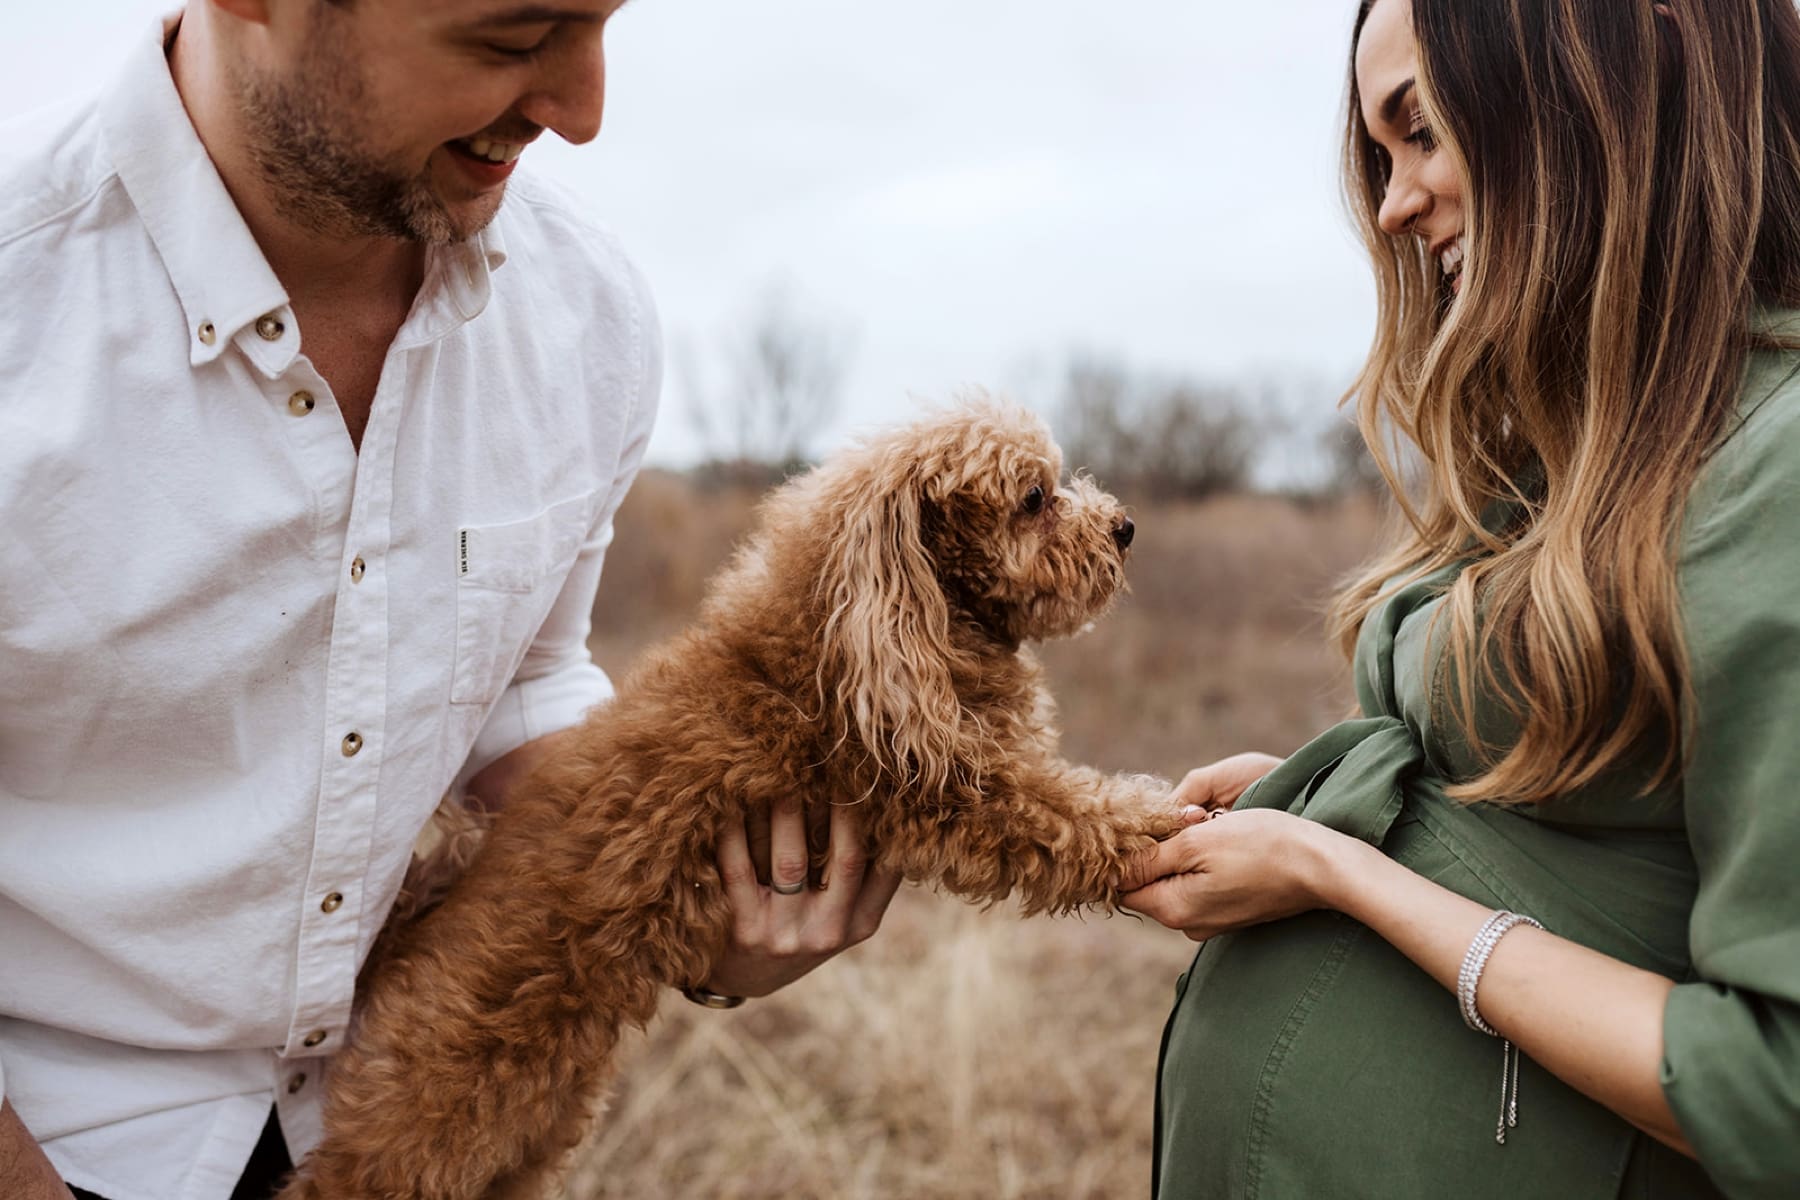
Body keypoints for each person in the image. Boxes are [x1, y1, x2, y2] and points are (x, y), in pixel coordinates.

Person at [0, 3, 899, 1198]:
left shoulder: (593, 316)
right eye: (513, 36)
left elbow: (524, 685)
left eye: (603, 24)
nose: (582, 112)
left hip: (405, 1137)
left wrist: (694, 894)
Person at [1119, 0, 1800, 1196]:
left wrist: (1344, 874)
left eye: (1421, 131)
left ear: (1596, 98)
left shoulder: (1780, 468)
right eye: (1379, 160)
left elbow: (1775, 1089)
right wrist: (1339, 798)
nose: (1391, 205)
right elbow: (1593, 823)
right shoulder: (1586, 448)